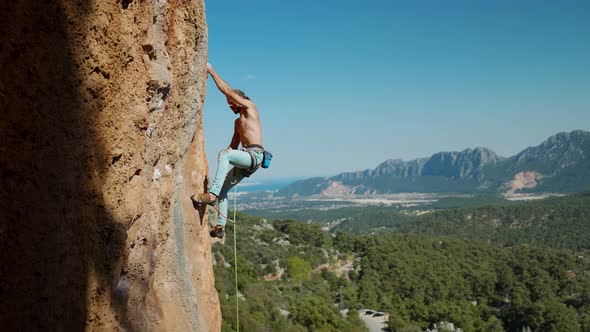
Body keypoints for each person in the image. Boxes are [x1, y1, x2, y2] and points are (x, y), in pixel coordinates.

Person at [192, 63, 265, 239]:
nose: (230, 105)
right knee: (225, 190)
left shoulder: (250, 107)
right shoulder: (238, 123)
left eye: (232, 102)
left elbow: (227, 91)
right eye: (229, 104)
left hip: (254, 156)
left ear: (240, 99)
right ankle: (220, 227)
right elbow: (233, 145)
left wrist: (211, 71)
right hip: (248, 160)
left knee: (224, 156)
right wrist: (230, 150)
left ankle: (212, 195)